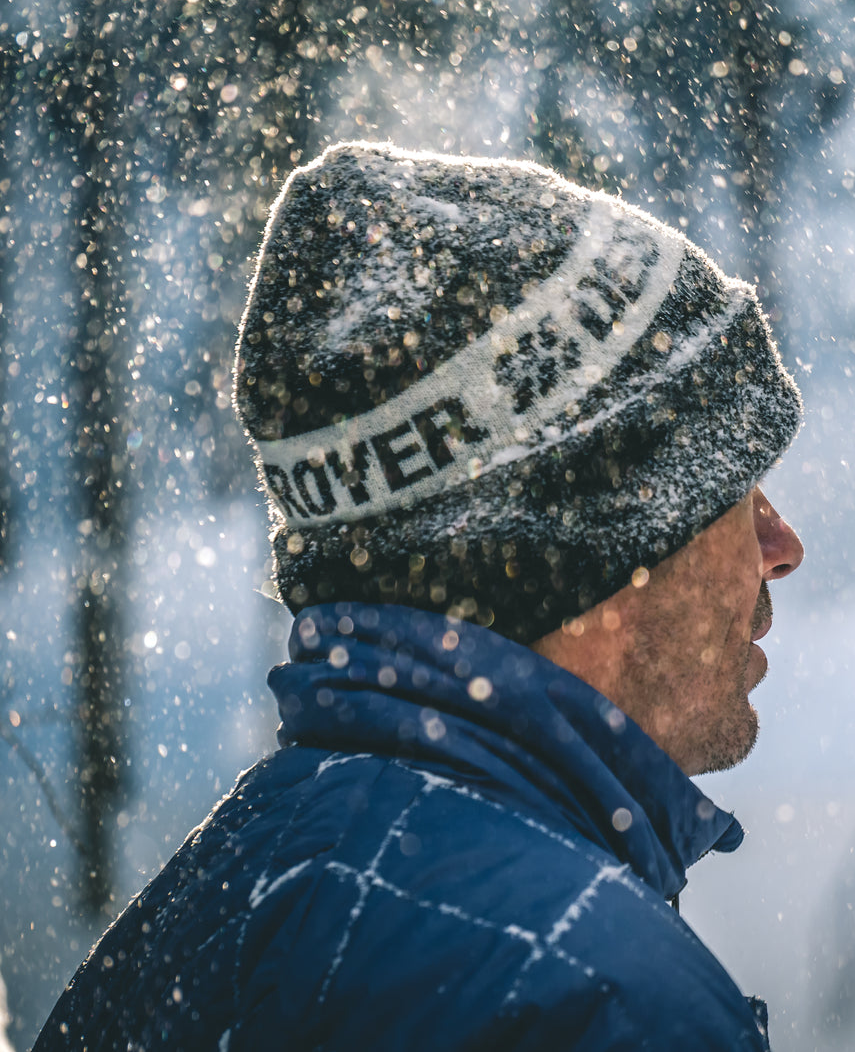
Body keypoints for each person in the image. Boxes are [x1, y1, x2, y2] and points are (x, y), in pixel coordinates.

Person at [35, 142, 804, 1050]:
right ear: (589, 541)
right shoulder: (601, 1003)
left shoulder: (180, 933)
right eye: (733, 491)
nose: (780, 547)